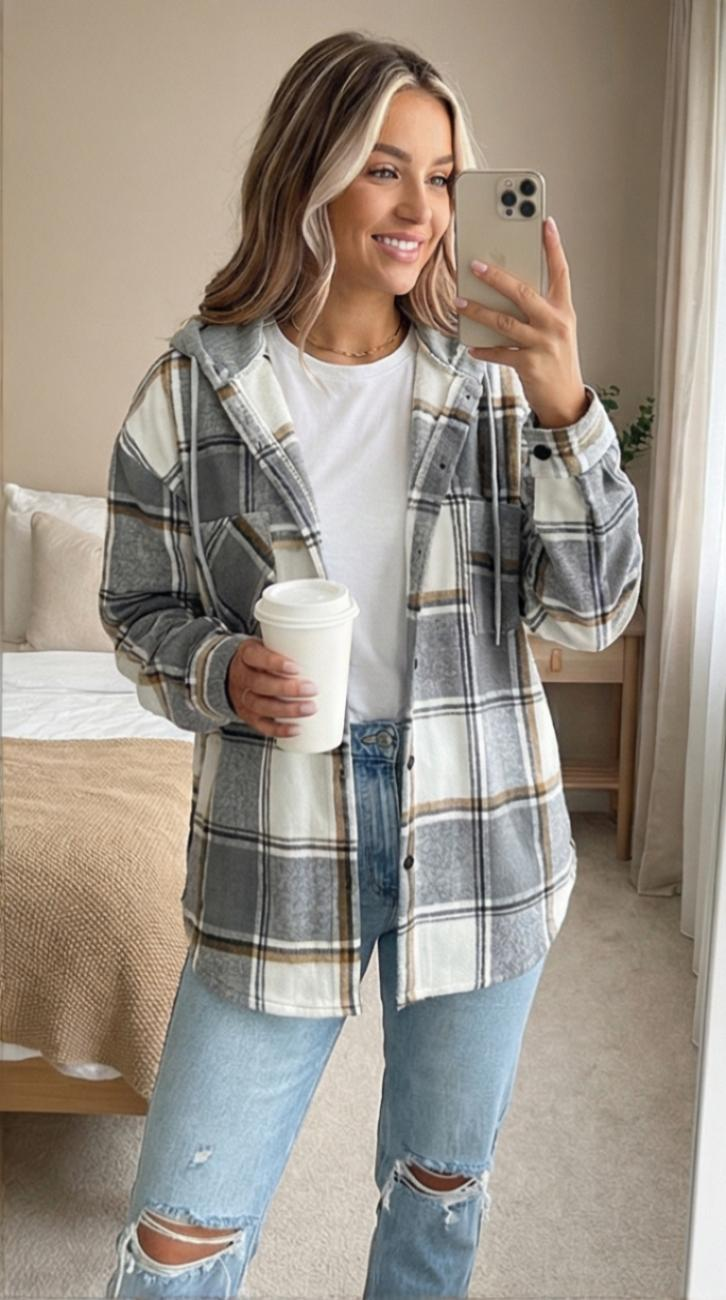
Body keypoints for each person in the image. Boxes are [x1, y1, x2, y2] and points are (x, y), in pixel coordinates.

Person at [100, 28, 643, 1300]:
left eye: (442, 177)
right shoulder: (197, 382)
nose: (419, 208)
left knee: (437, 1193)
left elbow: (593, 611)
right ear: (312, 171)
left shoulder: (498, 382)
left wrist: (568, 410)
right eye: (385, 168)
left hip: (480, 827)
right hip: (278, 829)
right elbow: (133, 605)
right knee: (179, 1238)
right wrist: (219, 669)